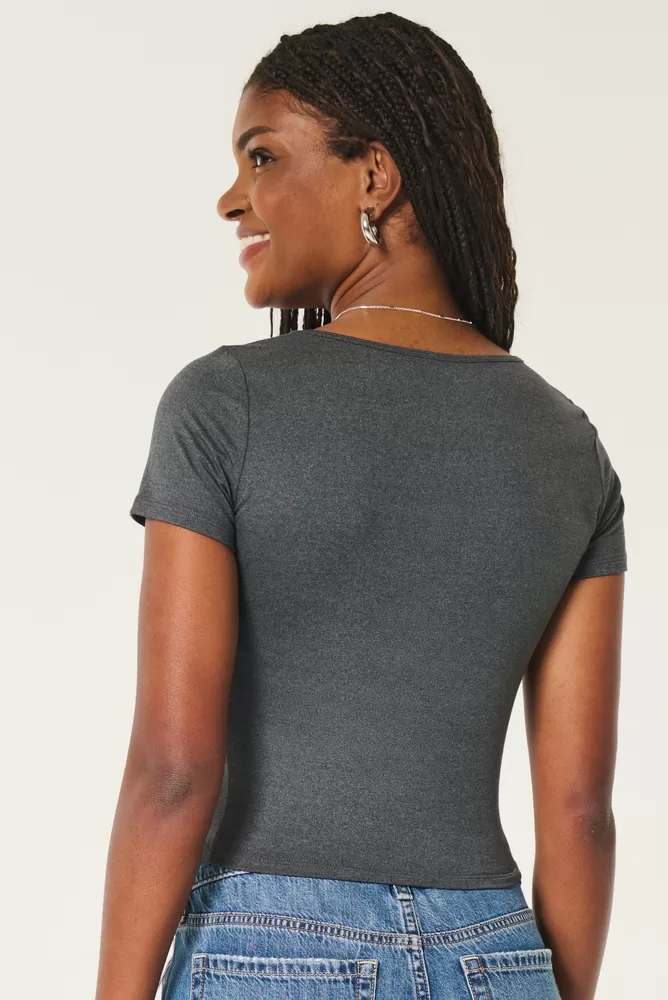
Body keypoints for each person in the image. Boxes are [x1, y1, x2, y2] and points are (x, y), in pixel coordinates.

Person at [95, 13, 626, 1000]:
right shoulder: (568, 445)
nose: (231, 198)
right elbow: (580, 812)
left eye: (262, 156)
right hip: (497, 953)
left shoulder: (224, 404)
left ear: (374, 175)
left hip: (269, 948)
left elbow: (172, 770)